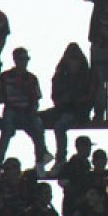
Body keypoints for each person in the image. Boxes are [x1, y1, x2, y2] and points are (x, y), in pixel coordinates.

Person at [0, 47, 54, 178]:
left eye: (26, 59)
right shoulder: (5, 77)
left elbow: (36, 100)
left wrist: (32, 111)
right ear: (15, 60)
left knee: (37, 126)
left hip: (27, 111)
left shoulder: (31, 78)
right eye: (21, 59)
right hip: (11, 110)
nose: (24, 62)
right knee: (6, 131)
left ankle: (40, 161)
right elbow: (1, 98)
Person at [40, 43, 96, 172]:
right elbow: (55, 96)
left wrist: (73, 99)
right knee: (35, 120)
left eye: (76, 59)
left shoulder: (88, 75)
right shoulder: (60, 75)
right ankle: (43, 154)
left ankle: (60, 160)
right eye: (71, 59)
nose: (74, 63)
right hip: (61, 109)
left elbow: (90, 97)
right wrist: (63, 101)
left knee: (60, 126)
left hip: (79, 112)